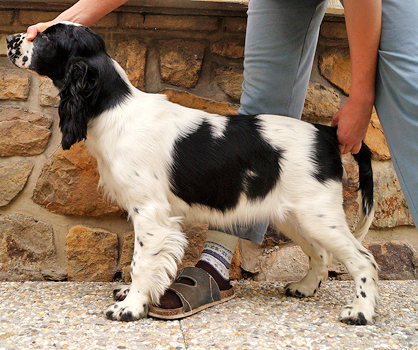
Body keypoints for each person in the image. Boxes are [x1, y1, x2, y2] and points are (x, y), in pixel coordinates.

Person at [27, 0, 418, 318]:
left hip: (369, 11)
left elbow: (152, 220)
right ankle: (237, 266)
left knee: (410, 91)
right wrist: (63, 26)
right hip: (283, 145)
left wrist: (362, 95)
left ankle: (363, 279)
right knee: (264, 102)